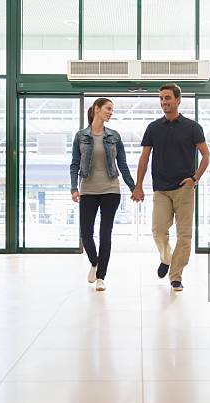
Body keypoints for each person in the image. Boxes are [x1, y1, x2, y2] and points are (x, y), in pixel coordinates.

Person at [132, 84, 210, 291]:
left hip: (184, 188)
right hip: (161, 189)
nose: (164, 102)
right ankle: (166, 257)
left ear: (178, 100)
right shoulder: (153, 128)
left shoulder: (193, 127)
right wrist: (138, 185)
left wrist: (195, 178)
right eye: (161, 99)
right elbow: (144, 158)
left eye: (167, 98)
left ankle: (176, 276)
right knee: (158, 230)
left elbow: (206, 155)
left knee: (184, 234)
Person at [70, 98, 136, 291]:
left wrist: (133, 187)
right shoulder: (81, 136)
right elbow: (74, 164)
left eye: (112, 110)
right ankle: (94, 262)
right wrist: (74, 188)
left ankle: (101, 277)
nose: (111, 112)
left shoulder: (114, 136)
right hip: (88, 190)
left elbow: (122, 165)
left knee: (105, 234)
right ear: (96, 109)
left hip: (111, 190)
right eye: (108, 109)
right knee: (86, 234)